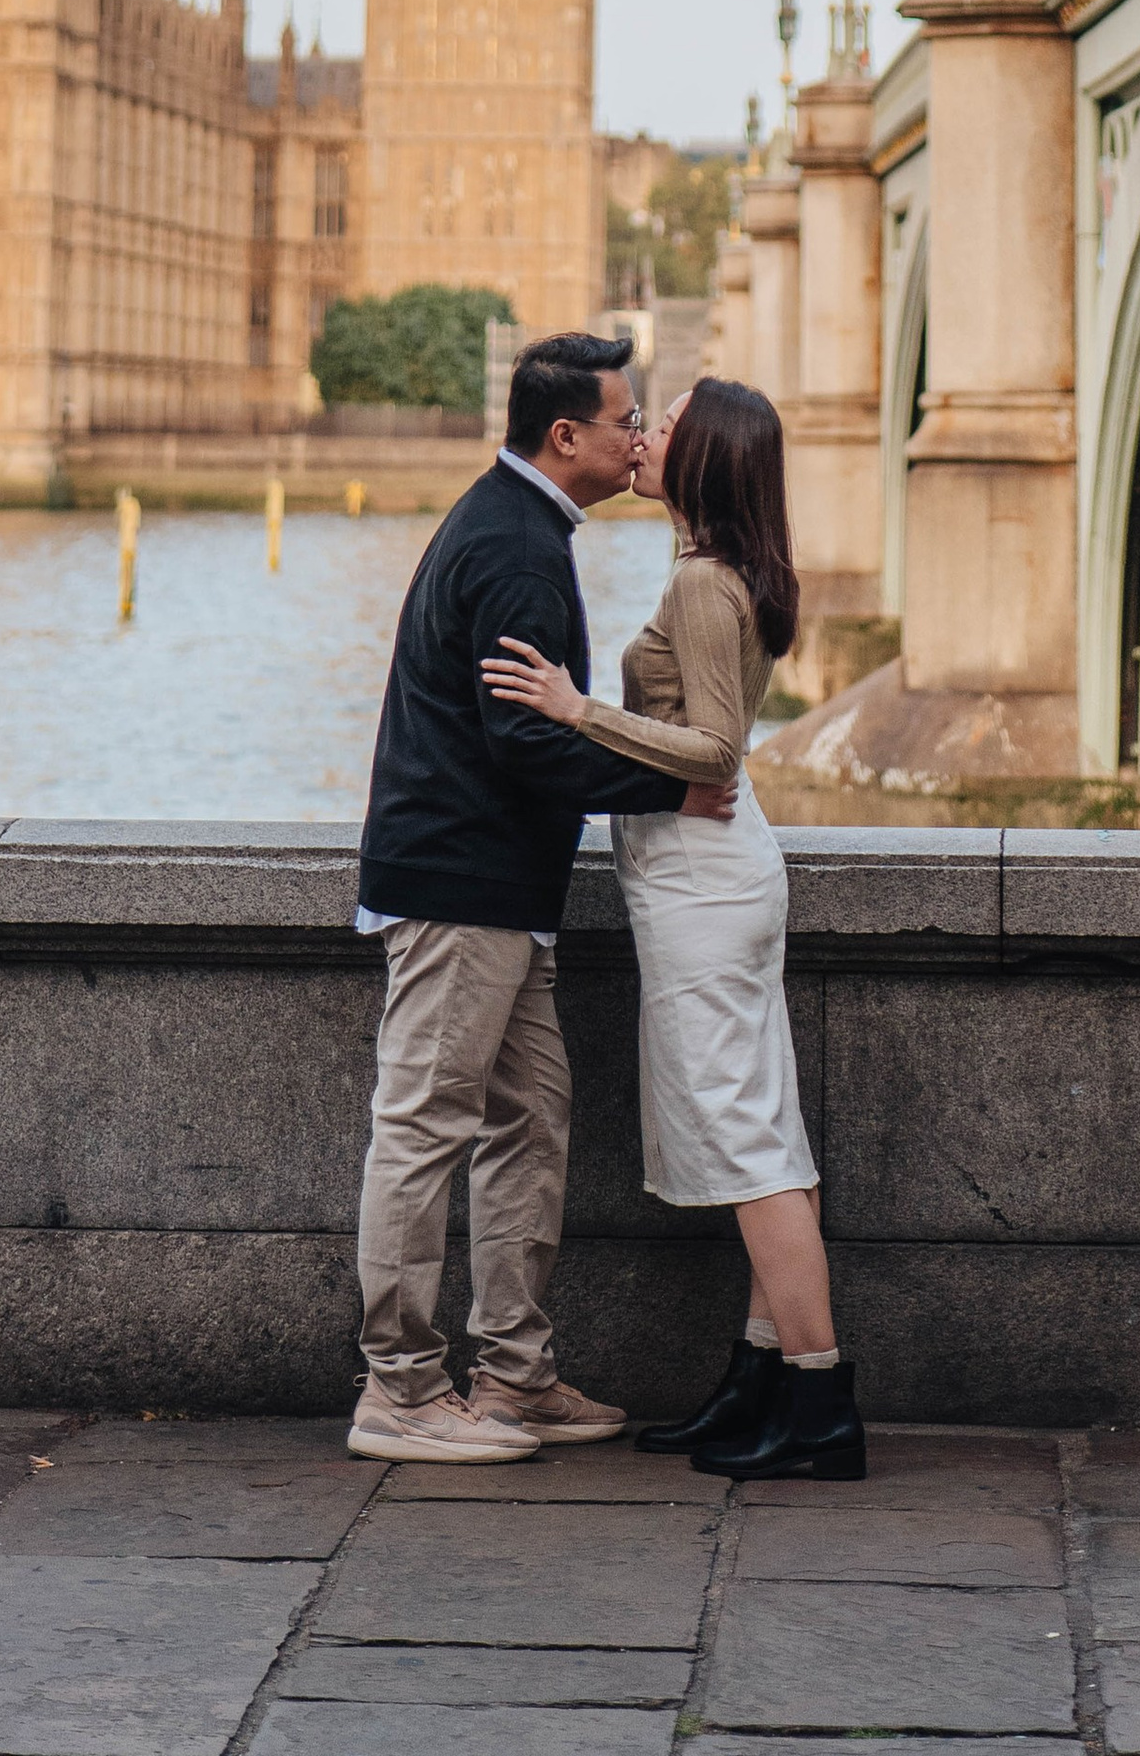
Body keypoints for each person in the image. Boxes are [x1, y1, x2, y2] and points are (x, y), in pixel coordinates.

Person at [349, 328, 732, 1464]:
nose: (638, 437)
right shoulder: (517, 547)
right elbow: (525, 743)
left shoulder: (518, 524)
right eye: (626, 420)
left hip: (501, 889)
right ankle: (399, 1391)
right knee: (424, 1127)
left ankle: (513, 1376)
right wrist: (670, 782)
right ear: (565, 435)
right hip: (460, 887)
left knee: (529, 1120)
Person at [481, 374, 864, 1484]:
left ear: (706, 457)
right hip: (719, 876)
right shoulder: (724, 567)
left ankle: (820, 1402)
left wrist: (575, 709)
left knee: (747, 1144)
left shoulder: (702, 581)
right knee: (766, 1132)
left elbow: (717, 752)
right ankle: (761, 1381)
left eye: (669, 424)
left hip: (704, 883)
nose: (644, 435)